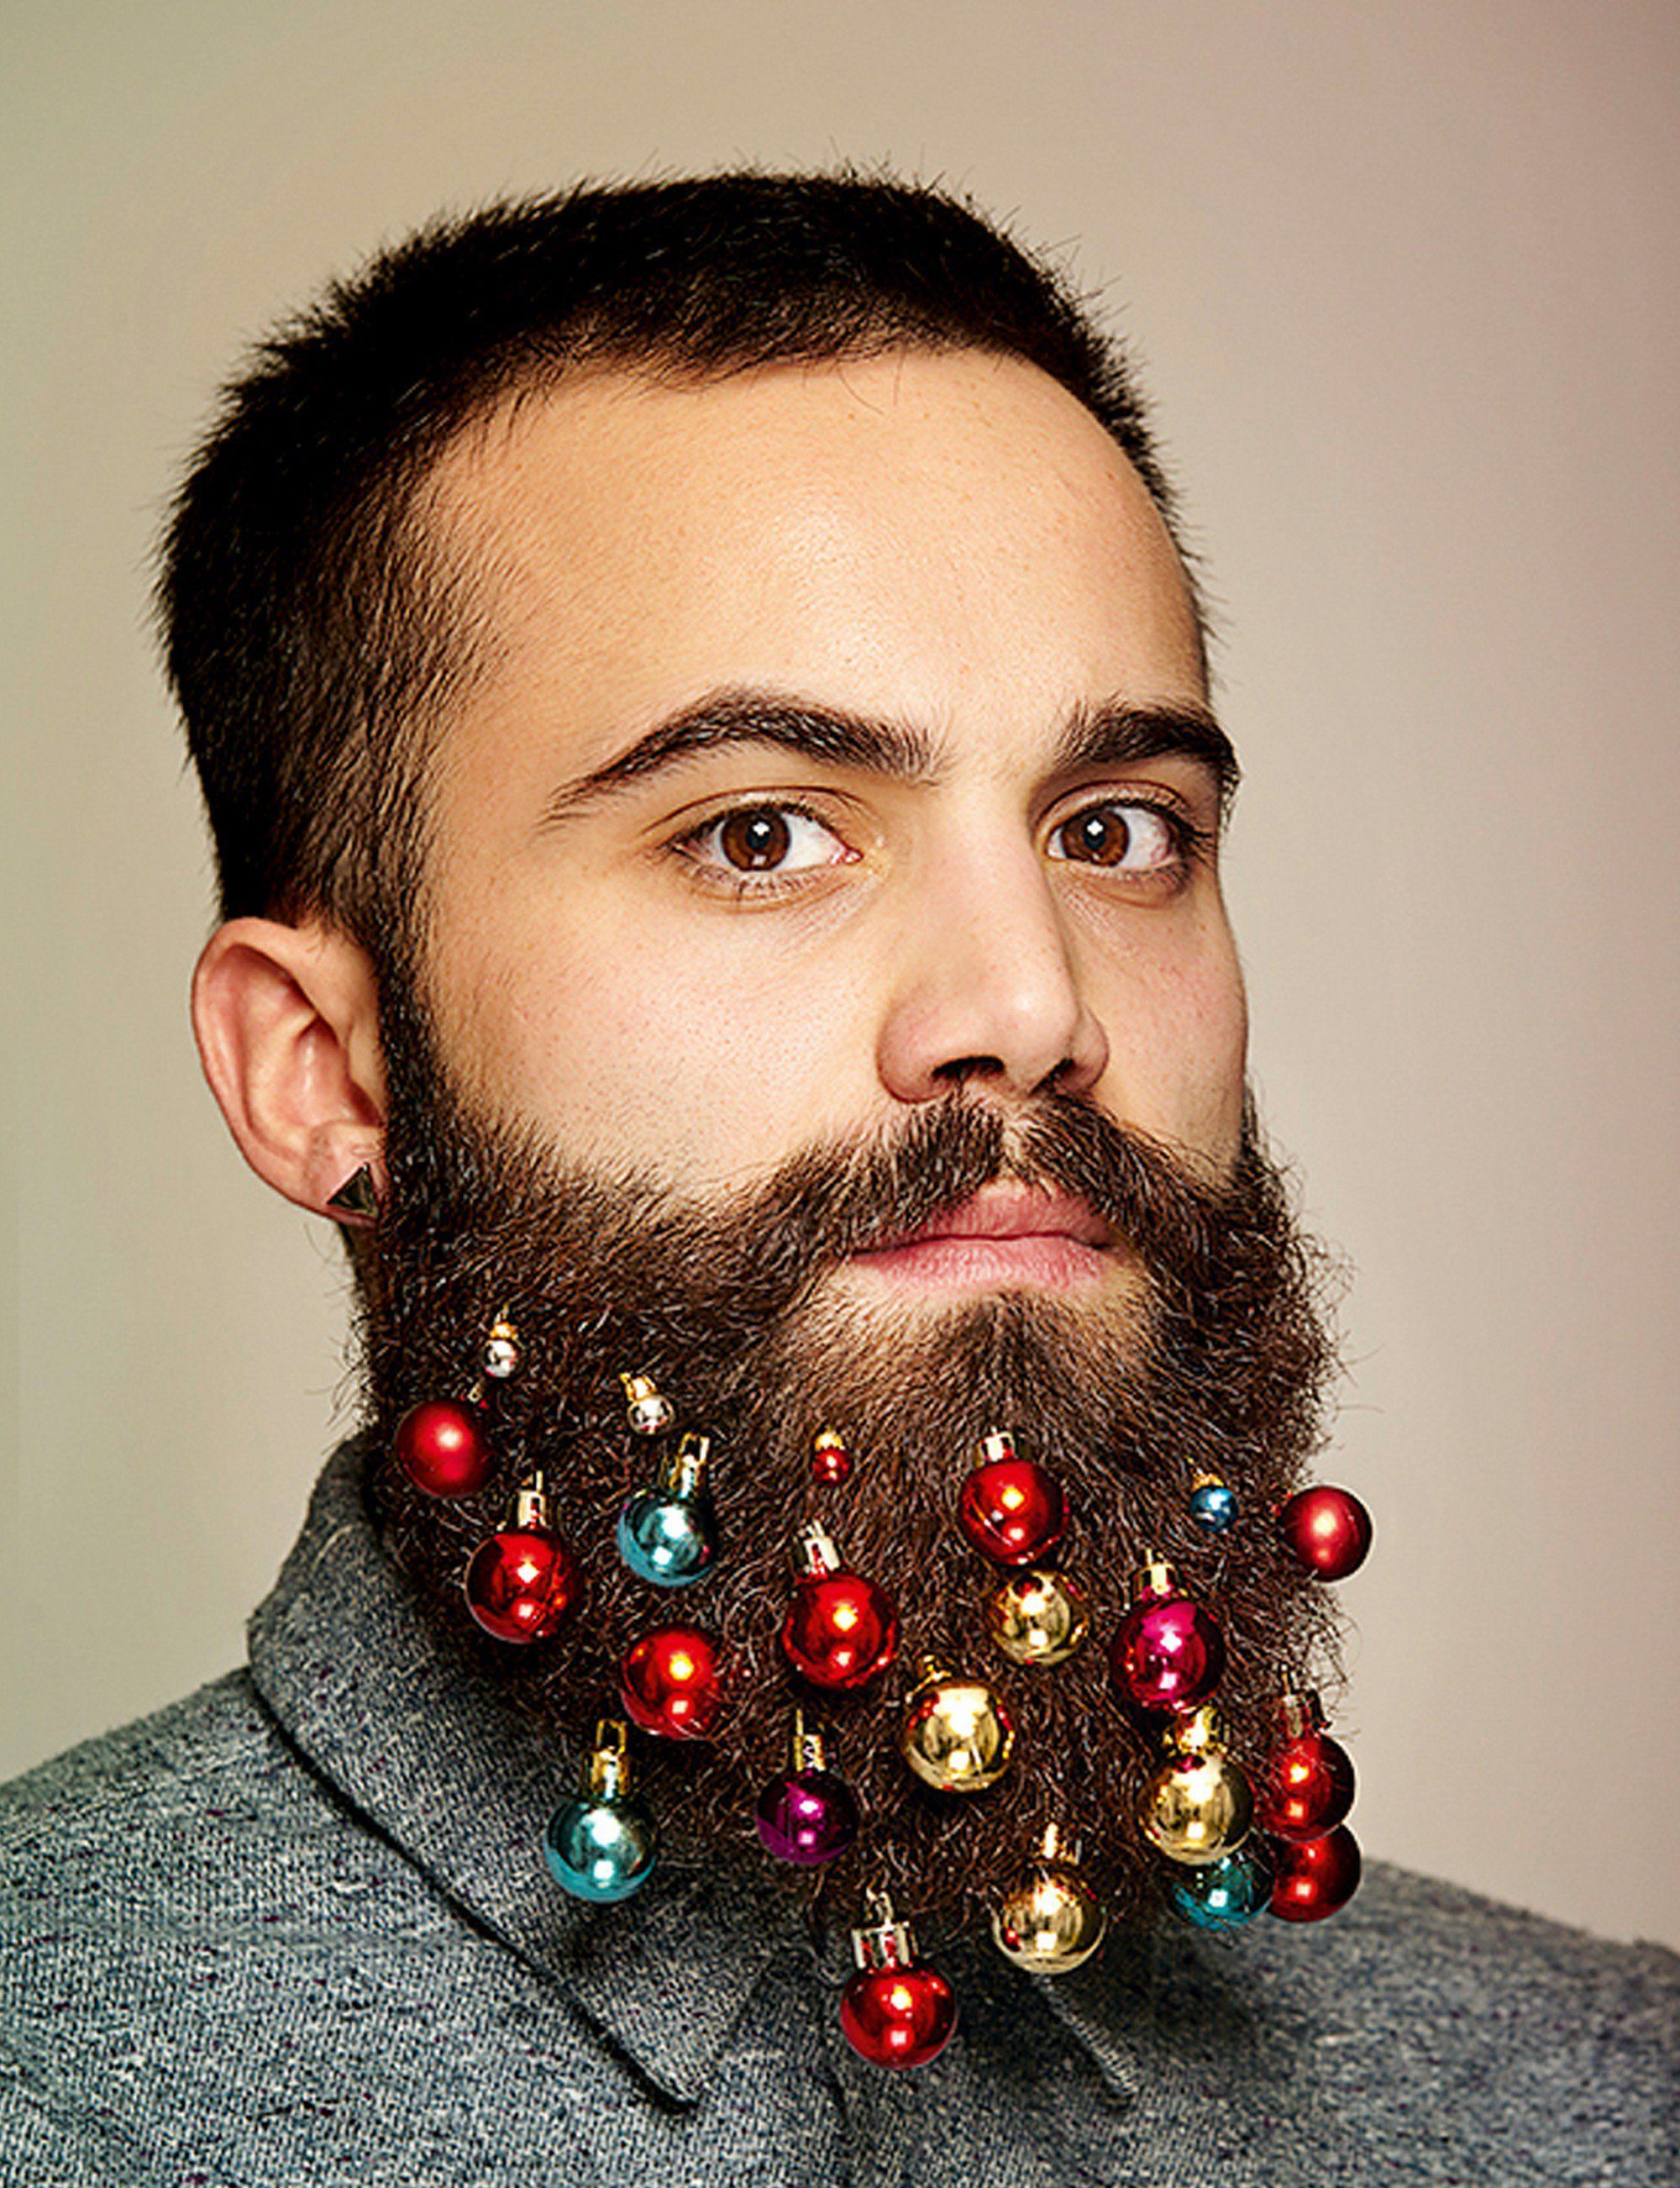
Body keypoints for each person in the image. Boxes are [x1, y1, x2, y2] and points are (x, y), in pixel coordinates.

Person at [3, 171, 1673, 2186]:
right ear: (321, 1071)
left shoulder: (1604, 2096)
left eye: (1120, 828)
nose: (1030, 1005)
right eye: (762, 835)